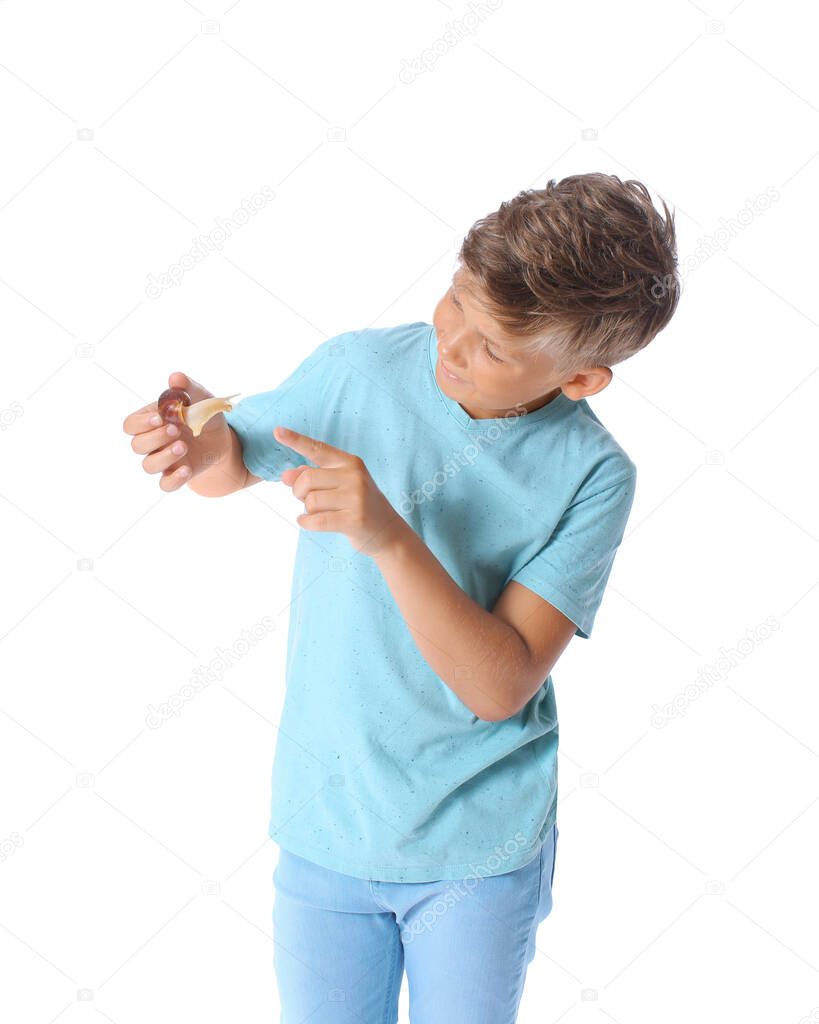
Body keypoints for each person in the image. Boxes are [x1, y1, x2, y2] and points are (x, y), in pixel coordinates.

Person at [123, 172, 680, 1023]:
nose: (451, 345)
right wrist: (197, 450)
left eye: (494, 347)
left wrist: (388, 535)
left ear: (579, 381)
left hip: (477, 849)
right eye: (455, 300)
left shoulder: (593, 477)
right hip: (326, 825)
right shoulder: (358, 371)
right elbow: (235, 459)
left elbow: (498, 686)